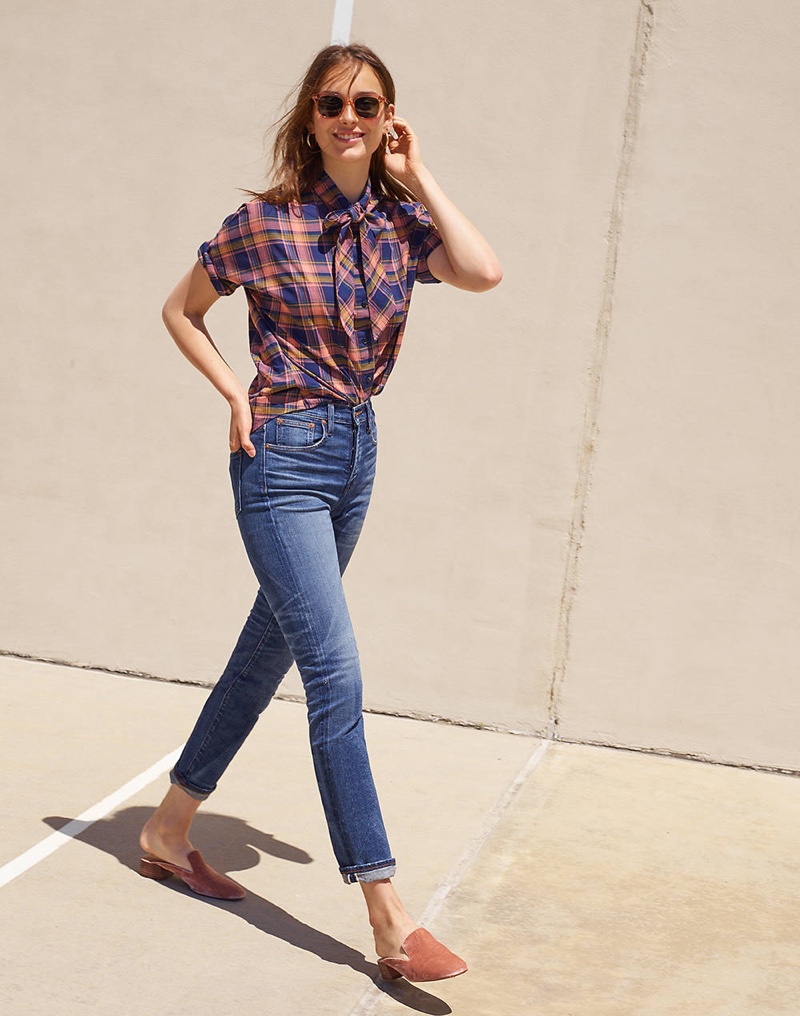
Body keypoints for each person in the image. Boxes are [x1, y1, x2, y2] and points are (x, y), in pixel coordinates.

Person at [139, 42, 502, 983]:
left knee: (269, 649)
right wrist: (230, 393)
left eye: (369, 103)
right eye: (334, 102)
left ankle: (171, 828)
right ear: (310, 116)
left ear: (388, 117)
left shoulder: (397, 222)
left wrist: (417, 171)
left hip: (356, 452)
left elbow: (482, 271)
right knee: (334, 674)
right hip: (281, 453)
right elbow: (181, 311)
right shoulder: (263, 222)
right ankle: (386, 914)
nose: (351, 115)